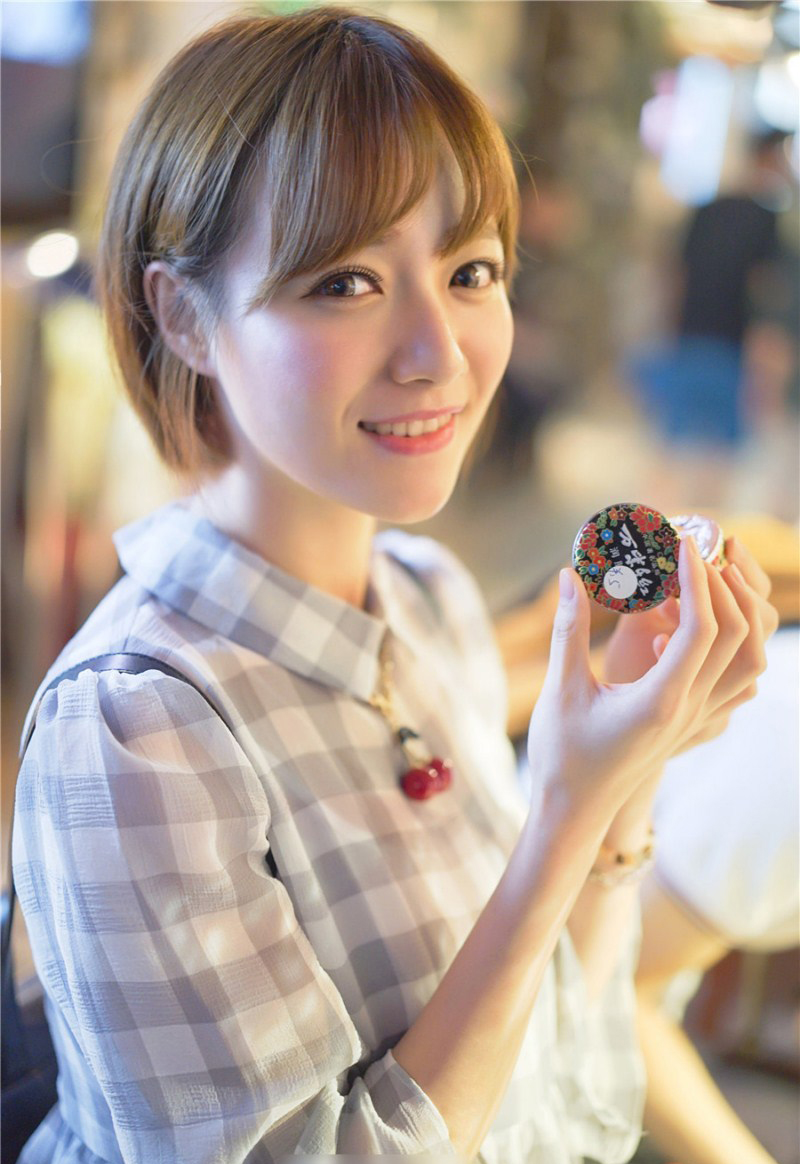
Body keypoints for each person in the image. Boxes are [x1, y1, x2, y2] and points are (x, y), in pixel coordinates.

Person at [11, 8, 778, 1163]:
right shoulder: (133, 730)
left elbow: (570, 1091)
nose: (439, 351)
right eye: (345, 282)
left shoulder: (426, 597)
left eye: (470, 271)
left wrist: (623, 779)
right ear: (182, 315)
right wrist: (563, 812)